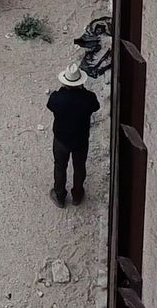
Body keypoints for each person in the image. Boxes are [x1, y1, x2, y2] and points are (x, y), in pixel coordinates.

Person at [46, 66, 101, 207]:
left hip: (61, 139)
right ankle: (77, 195)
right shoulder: (89, 98)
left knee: (60, 167)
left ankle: (59, 196)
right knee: (79, 167)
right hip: (80, 140)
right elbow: (96, 106)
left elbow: (50, 105)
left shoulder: (57, 98)